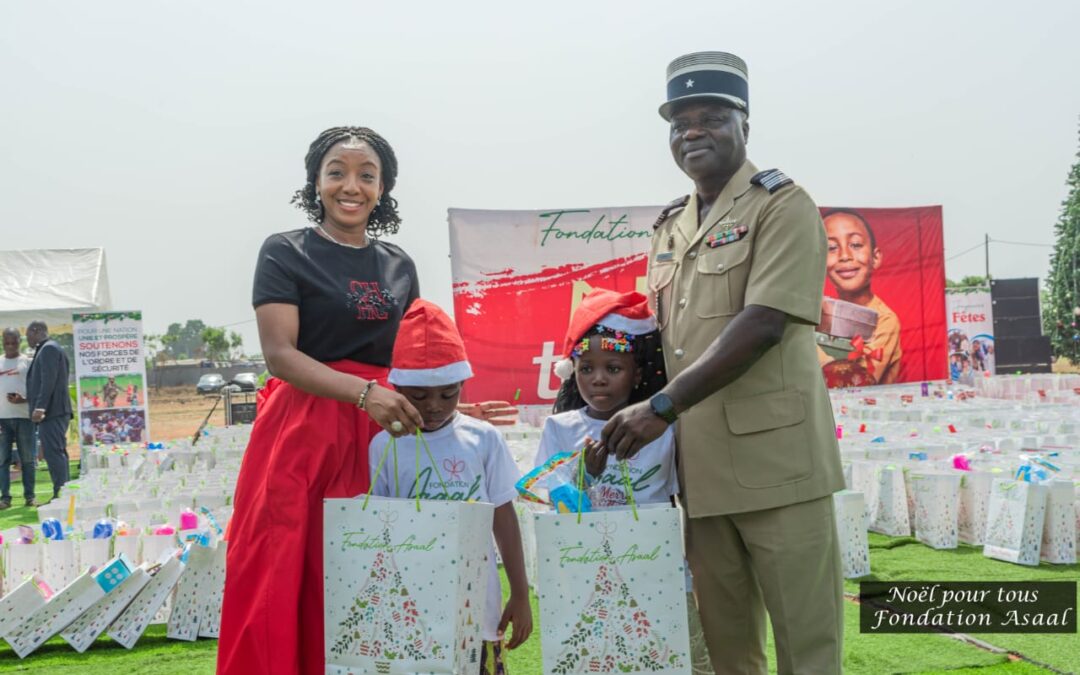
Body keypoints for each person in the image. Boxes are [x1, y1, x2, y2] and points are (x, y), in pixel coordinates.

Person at [599, 52, 845, 674]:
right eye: (680, 122)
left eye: (710, 117)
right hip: (702, 477)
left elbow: (761, 323)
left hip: (779, 470)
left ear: (744, 125)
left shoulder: (782, 206)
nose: (692, 133)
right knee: (729, 653)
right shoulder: (670, 227)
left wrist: (660, 407)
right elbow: (662, 344)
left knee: (806, 652)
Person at [219, 127, 426, 675]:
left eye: (366, 174)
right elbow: (280, 355)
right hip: (303, 433)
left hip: (383, 437)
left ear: (384, 188)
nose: (350, 185)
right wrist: (363, 394)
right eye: (336, 171)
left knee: (375, 572)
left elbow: (416, 355)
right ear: (316, 181)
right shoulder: (286, 251)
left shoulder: (399, 264)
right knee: (289, 574)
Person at [536, 289, 714, 675]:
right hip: (586, 572)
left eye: (612, 369)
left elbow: (681, 494)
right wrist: (582, 479)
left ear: (636, 373)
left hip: (656, 566)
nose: (598, 380)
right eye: (586, 368)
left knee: (668, 656)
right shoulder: (560, 428)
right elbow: (553, 505)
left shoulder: (666, 428)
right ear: (573, 372)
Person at [368, 299, 532, 672]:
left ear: (462, 383)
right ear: (397, 388)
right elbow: (382, 529)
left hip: (476, 599)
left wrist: (520, 593)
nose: (435, 407)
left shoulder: (484, 438)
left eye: (448, 394)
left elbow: (504, 518)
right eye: (419, 396)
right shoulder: (385, 445)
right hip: (411, 602)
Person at [817, 209, 901, 384]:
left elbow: (854, 380)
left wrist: (806, 344)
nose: (845, 256)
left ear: (875, 258)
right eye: (831, 248)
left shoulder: (885, 320)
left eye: (855, 245)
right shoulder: (820, 311)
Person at [25, 321, 72, 500]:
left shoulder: (49, 349)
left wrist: (40, 407)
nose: (27, 339)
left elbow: (48, 381)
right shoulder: (49, 348)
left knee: (54, 453)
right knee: (57, 452)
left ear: (36, 331)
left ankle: (61, 496)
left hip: (52, 412)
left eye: (28, 334)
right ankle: (64, 493)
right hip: (54, 411)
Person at [0, 327, 35, 508]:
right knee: (2, 461)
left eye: (14, 342)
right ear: (3, 342)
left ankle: (30, 497)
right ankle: (5, 499)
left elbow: (37, 390)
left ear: (19, 341)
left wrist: (24, 400)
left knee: (28, 459)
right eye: (7, 342)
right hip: (2, 420)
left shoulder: (28, 362)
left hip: (24, 417)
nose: (11, 345)